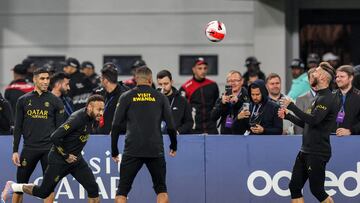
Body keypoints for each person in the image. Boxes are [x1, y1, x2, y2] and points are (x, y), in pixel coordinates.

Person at [1, 95, 104, 203]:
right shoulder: (77, 119)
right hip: (59, 160)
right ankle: (13, 186)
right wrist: (66, 155)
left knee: (93, 188)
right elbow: (54, 136)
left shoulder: (93, 118)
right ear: (89, 108)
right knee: (43, 192)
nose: (101, 113)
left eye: (102, 109)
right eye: (99, 110)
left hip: (76, 160)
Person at [111, 66, 177, 203]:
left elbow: (115, 125)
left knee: (122, 192)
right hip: (155, 149)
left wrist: (114, 150)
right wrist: (173, 145)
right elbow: (171, 125)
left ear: (136, 79)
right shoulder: (161, 97)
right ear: (150, 79)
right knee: (161, 191)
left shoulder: (126, 97)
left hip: (132, 149)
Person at [278, 62, 339, 203]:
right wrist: (288, 116)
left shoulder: (327, 98)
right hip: (306, 150)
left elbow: (313, 120)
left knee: (317, 191)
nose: (310, 75)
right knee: (294, 186)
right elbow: (307, 124)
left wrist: (292, 106)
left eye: (316, 72)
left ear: (323, 78)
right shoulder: (318, 97)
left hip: (317, 151)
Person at [8, 67, 65, 203]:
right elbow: (18, 128)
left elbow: (60, 131)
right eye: (42, 78)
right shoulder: (22, 100)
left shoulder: (56, 101)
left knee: (49, 188)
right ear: (34, 79)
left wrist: (59, 151)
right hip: (29, 149)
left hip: (49, 150)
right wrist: (15, 150)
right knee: (19, 186)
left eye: (48, 78)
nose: (46, 81)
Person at [180, 57, 219, 134]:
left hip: (211, 127)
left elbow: (217, 104)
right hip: (194, 128)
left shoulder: (213, 85)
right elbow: (182, 109)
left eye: (205, 68)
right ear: (194, 69)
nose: (203, 71)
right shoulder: (185, 87)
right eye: (200, 68)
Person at [94, 63, 129, 134]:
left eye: (101, 78)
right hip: (100, 138)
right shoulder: (103, 94)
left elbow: (130, 119)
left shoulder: (124, 96)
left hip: (117, 139)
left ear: (106, 81)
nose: (100, 80)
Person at [156, 69, 193, 134]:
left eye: (166, 84)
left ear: (171, 82)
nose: (163, 87)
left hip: (176, 139)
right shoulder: (152, 100)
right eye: (160, 84)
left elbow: (189, 123)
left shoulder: (182, 100)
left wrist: (178, 131)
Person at [334, 65, 360, 136]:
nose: (338, 79)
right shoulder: (330, 96)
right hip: (331, 139)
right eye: (337, 77)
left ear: (351, 78)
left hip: (353, 140)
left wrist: (351, 131)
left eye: (342, 76)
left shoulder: (358, 96)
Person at [294, 68, 317, 135]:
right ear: (308, 80)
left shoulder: (330, 97)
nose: (314, 81)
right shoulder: (301, 99)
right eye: (312, 78)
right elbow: (298, 122)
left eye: (316, 78)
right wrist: (299, 139)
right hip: (306, 140)